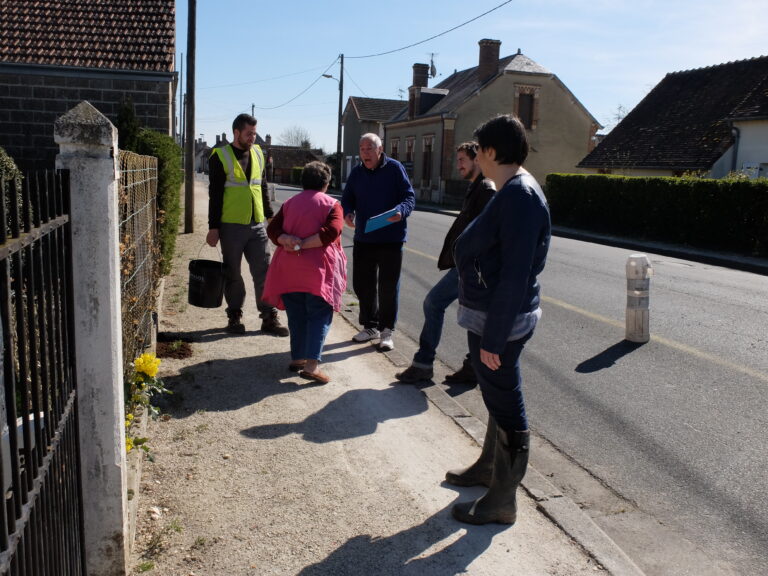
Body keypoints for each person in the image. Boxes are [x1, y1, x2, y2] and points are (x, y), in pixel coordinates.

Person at [448, 115, 551, 526]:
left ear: (492, 152)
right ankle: (489, 471)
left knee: (507, 404)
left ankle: (501, 502)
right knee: (497, 396)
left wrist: (493, 338)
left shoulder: (520, 196)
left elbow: (516, 272)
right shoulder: (511, 190)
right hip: (493, 315)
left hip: (500, 321)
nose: (477, 159)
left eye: (479, 151)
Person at [395, 142, 495, 384]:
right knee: (474, 314)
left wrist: (469, 260)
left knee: (434, 303)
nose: (458, 164)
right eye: (457, 159)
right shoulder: (476, 188)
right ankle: (471, 367)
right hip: (468, 265)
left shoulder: (486, 189)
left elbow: (488, 233)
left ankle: (423, 364)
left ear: (477, 160)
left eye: (462, 159)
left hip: (472, 266)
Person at [262, 162, 346, 383]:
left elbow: (272, 229)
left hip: (287, 270)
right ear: (326, 184)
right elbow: (332, 231)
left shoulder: (290, 203)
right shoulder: (332, 204)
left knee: (297, 315)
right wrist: (303, 244)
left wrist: (288, 241)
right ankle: (312, 365)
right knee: (319, 314)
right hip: (317, 271)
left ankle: (297, 357)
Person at [206, 113, 289, 337]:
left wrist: (271, 219)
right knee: (232, 273)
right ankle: (234, 316)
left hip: (257, 225)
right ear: (236, 132)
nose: (253, 137)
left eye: (254, 133)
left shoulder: (258, 153)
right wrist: (213, 227)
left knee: (264, 271)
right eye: (249, 133)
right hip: (230, 225)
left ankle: (269, 317)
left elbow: (261, 187)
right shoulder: (219, 156)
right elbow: (214, 194)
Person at [341, 133, 415, 352]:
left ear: (380, 149)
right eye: (362, 149)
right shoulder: (356, 173)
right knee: (363, 285)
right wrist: (348, 212)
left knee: (388, 287)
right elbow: (347, 198)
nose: (365, 153)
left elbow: (409, 198)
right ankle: (369, 326)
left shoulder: (395, 169)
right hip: (364, 237)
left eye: (369, 149)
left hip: (391, 239)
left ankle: (386, 331)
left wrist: (401, 211)